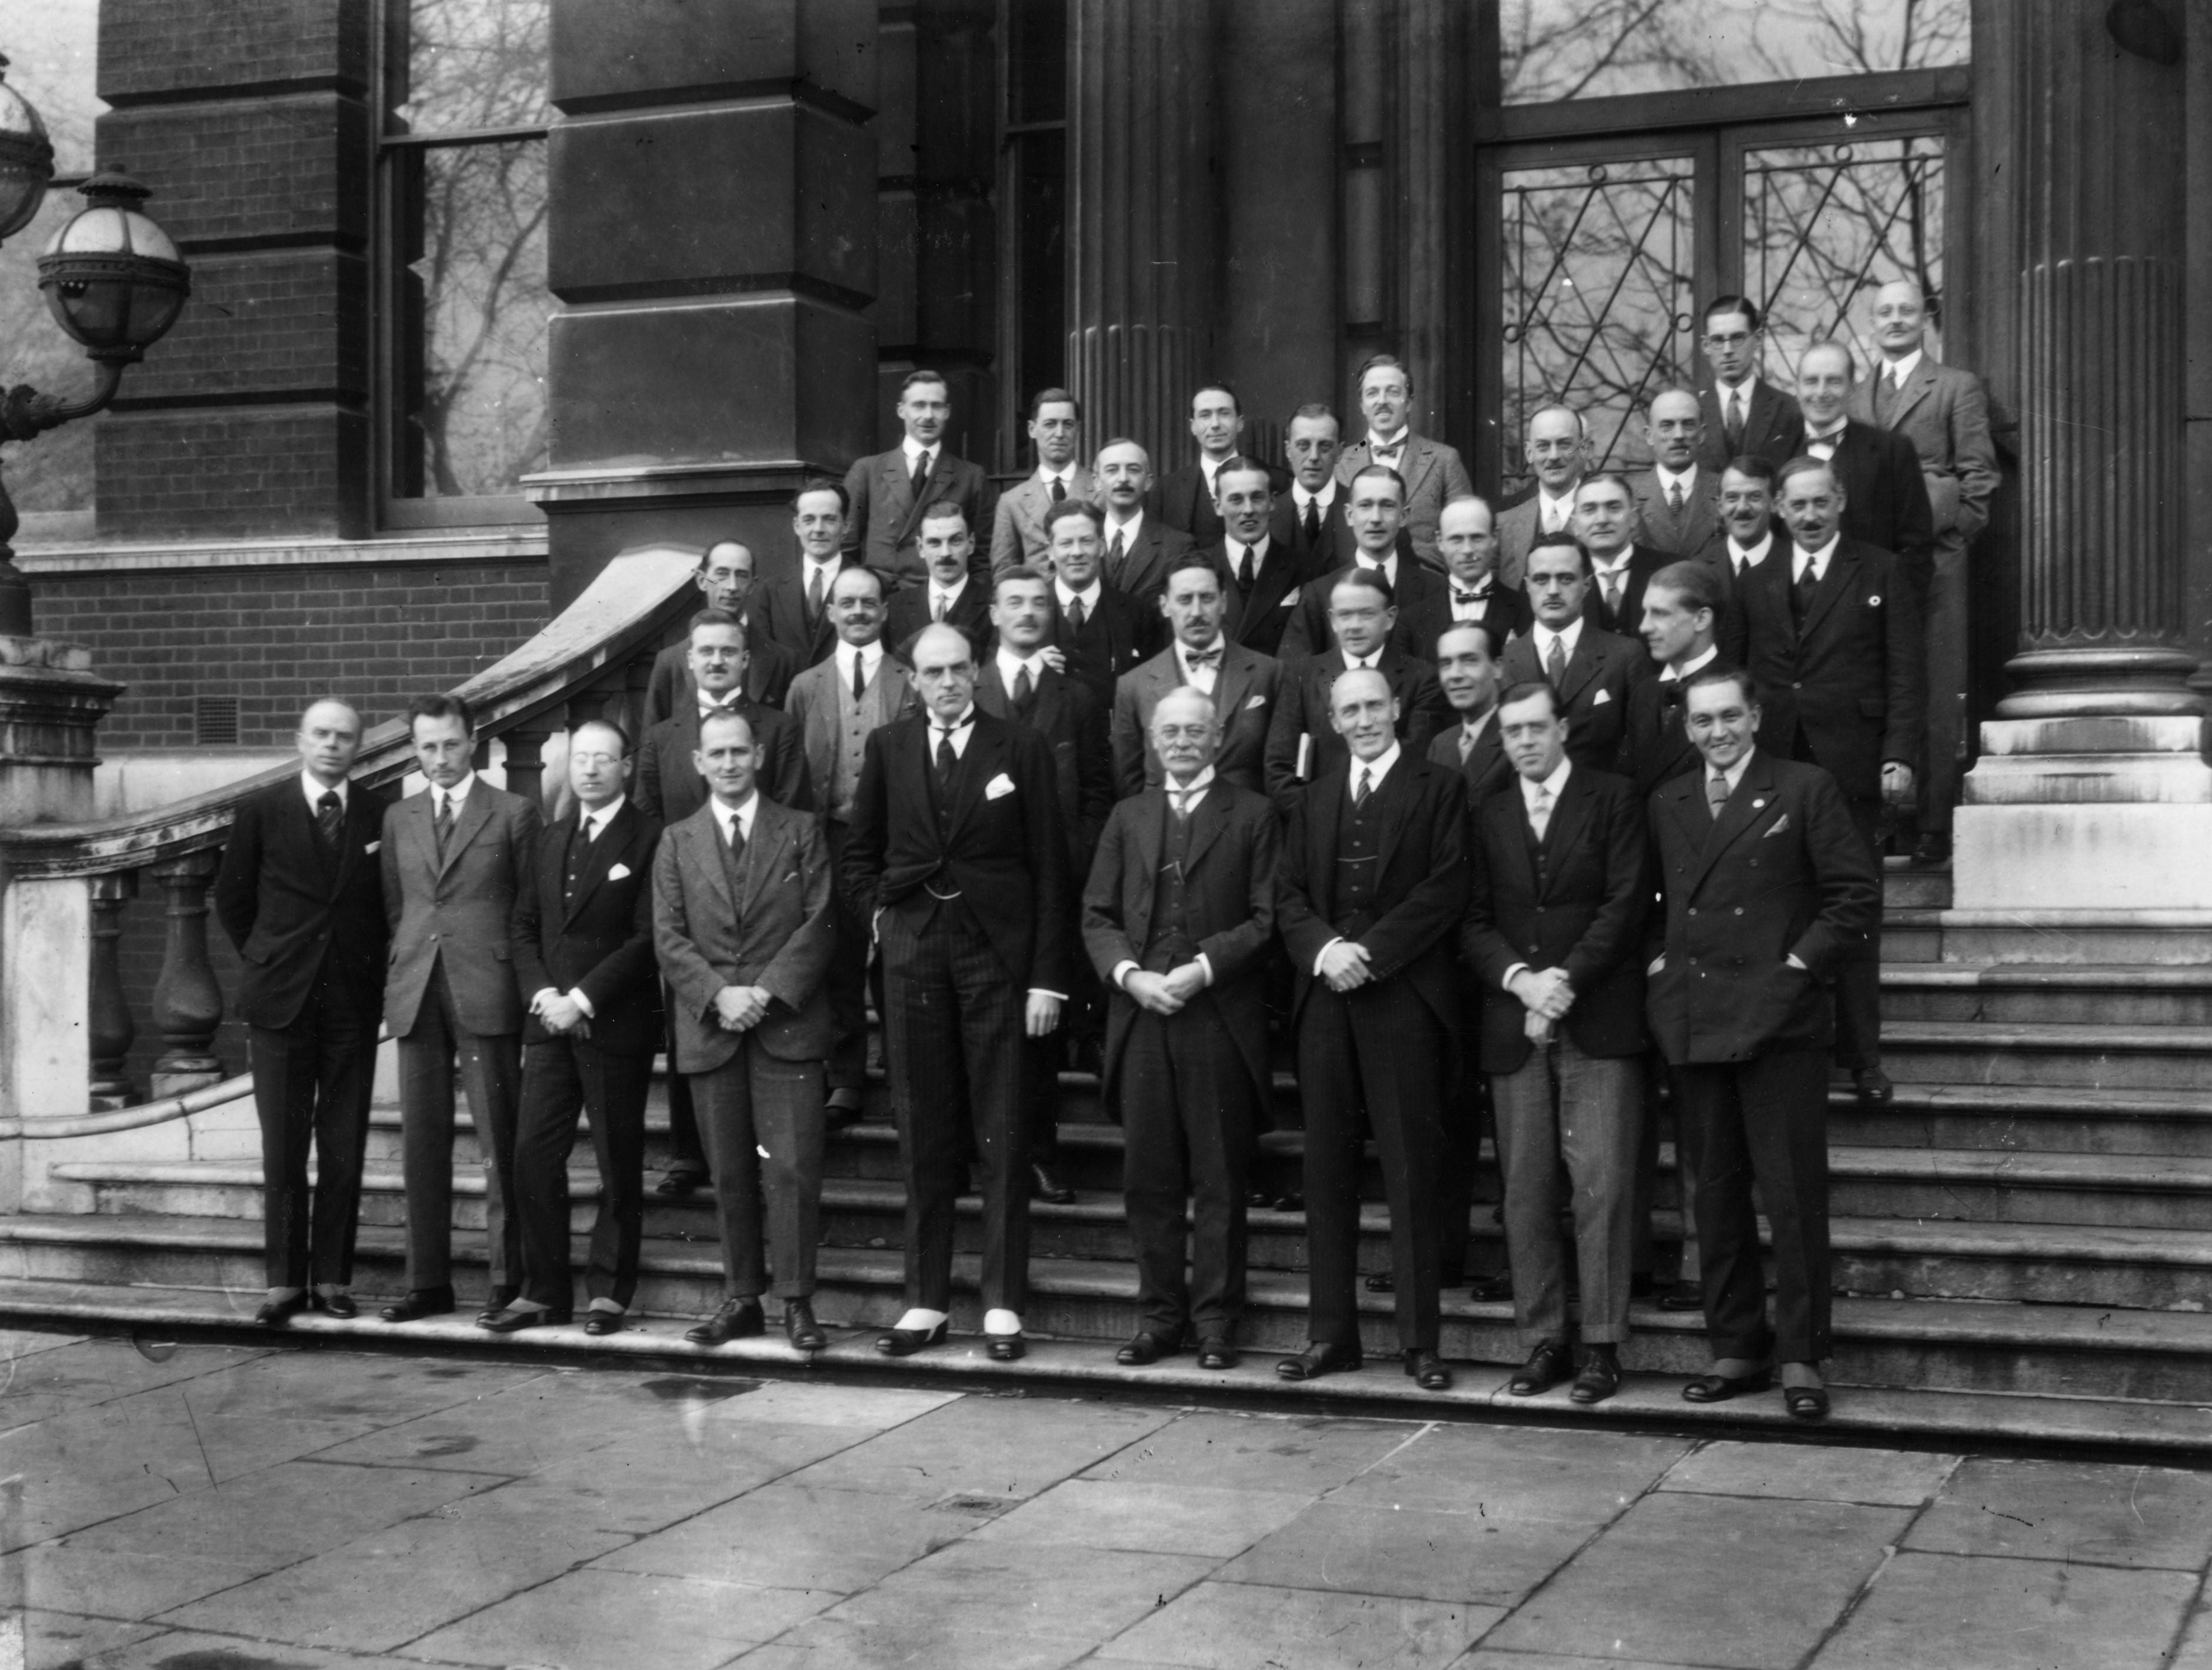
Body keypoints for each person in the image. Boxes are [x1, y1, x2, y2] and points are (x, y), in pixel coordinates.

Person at [1647, 667, 1880, 1420]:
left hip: (1780, 1021)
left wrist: (1795, 967)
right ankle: (1736, 1347)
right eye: (1702, 721)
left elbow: (1854, 897)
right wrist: (1659, 970)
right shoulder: (1668, 800)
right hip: (1698, 1019)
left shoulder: (1803, 787)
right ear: (1687, 729)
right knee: (1714, 1197)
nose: (1716, 733)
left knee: (1791, 1196)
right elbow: (1649, 901)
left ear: (1755, 717)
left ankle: (1803, 1355)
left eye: (1729, 717)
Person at [843, 623, 1071, 1360]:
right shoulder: (888, 748)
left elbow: (1050, 869)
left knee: (1001, 1128)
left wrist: (1045, 978)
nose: (945, 682)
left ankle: (1003, 1304)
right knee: (925, 1131)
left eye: (957, 669)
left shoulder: (1021, 747)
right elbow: (859, 853)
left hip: (994, 954)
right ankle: (925, 1302)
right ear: (911, 679)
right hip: (913, 952)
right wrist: (880, 916)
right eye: (931, 671)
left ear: (977, 672)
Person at [1275, 668, 1469, 1391]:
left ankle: (1421, 1343)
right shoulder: (1313, 797)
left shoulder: (1439, 787)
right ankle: (1333, 1337)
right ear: (1332, 718)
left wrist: (1373, 954)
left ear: (1397, 709)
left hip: (1403, 997)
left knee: (1410, 1170)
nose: (1363, 720)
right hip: (1325, 997)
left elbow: (1447, 887)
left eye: (1373, 706)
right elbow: (1286, 893)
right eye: (1348, 710)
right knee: (1326, 1170)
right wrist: (1328, 951)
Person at [1083, 687, 1278, 1371]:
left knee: (1220, 1175)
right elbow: (1097, 915)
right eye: (1170, 731)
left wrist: (1200, 970)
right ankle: (1159, 1318)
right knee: (1149, 1177)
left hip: (1215, 1016)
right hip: (1141, 1016)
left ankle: (1218, 1323)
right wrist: (1132, 978)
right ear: (1151, 737)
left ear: (1219, 735)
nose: (1182, 742)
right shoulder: (1127, 815)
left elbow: (1264, 919)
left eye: (1196, 731)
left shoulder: (1253, 813)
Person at [1464, 680, 1648, 1406]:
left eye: (1537, 728)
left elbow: (1625, 903)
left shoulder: (1613, 798)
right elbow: (1472, 919)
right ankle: (1544, 1340)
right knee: (1527, 1190)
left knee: (1600, 1183)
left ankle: (1601, 1345)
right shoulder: (1489, 811)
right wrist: (1521, 982)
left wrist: (1561, 983)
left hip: (1597, 1019)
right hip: (1516, 1024)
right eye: (1512, 733)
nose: (1525, 743)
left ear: (1562, 729)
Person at [1738, 457, 1925, 1107]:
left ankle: (1863, 1058)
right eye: (1798, 506)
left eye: (1821, 503)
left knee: (1854, 914)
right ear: (1779, 511)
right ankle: (1792, 1048)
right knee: (1778, 910)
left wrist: (1899, 753)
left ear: (1840, 501)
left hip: (1851, 767)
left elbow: (1905, 672)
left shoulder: (1878, 569)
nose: (1811, 516)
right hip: (1777, 765)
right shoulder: (1756, 578)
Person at [654, 708, 838, 1351]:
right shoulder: (677, 840)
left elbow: (820, 921)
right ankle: (742, 1298)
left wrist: (765, 991)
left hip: (784, 1026)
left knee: (790, 1169)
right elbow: (669, 936)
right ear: (698, 763)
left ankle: (796, 1302)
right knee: (729, 1171)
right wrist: (716, 995)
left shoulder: (801, 831)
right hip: (712, 1028)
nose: (729, 763)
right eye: (717, 754)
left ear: (758, 756)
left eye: (739, 751)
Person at [212, 700, 388, 1326]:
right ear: (300, 740)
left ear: (358, 746)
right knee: (283, 1147)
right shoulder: (262, 810)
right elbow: (232, 899)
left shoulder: (379, 810)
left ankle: (333, 1279)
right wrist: (267, 958)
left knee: (343, 1143)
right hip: (281, 998)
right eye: (321, 734)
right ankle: (284, 1281)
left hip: (351, 1000)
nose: (332, 745)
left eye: (344, 737)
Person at [495, 720, 662, 1337]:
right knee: (532, 1154)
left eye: (604, 759)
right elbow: (523, 926)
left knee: (618, 1158)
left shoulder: (649, 838)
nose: (590, 769)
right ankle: (543, 1290)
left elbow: (649, 938)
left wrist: (583, 999)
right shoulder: (550, 836)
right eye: (582, 758)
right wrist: (543, 995)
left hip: (611, 1021)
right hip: (548, 1022)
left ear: (625, 767)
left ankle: (609, 1293)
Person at [379, 694, 541, 1325]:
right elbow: (399, 906)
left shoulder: (513, 812)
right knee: (422, 1143)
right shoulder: (400, 817)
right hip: (418, 989)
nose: (439, 758)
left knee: (499, 1139)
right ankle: (427, 1282)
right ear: (414, 751)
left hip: (487, 988)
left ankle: (507, 1278)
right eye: (427, 748)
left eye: (450, 744)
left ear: (472, 742)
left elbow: (527, 910)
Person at [1848, 280, 2000, 866]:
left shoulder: (1953, 387)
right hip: (1872, 566)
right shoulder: (1857, 396)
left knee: (1937, 691)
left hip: (1935, 563)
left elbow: (1978, 475)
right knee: (1880, 688)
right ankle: (1887, 820)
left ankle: (1934, 823)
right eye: (1884, 311)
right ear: (1871, 322)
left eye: (1905, 310)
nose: (1895, 320)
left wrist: (1954, 527)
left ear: (1924, 318)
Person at [981, 565, 1115, 1205]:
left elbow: (1096, 789)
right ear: (994, 614)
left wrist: (1076, 857)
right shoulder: (968, 689)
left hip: (1054, 887)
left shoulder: (1079, 698)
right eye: (1015, 603)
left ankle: (1038, 1153)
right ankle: (983, 1155)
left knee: (1040, 1032)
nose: (1028, 613)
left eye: (1039, 603)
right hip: (982, 890)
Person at [784, 564, 918, 1122]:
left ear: (885, 612)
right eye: (848, 603)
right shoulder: (805, 686)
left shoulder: (909, 678)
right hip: (830, 836)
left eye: (869, 603)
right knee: (837, 956)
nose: (859, 612)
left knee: (898, 952)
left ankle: (905, 1066)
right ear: (832, 612)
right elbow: (794, 775)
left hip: (898, 840)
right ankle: (846, 1074)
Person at [1425, 623, 1514, 1299]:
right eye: (1446, 664)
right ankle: (1443, 1253)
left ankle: (1521, 1256)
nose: (1457, 674)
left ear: (1497, 669)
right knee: (1448, 1116)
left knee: (1518, 1122)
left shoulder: (1515, 736)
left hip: (1504, 943)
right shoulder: (1433, 745)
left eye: (1469, 662)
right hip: (1445, 957)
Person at [1265, 567, 1447, 814]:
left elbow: (1416, 762)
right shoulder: (1302, 676)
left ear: (1390, 618)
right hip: (1318, 826)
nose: (1354, 626)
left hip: (1393, 823)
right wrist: (1321, 820)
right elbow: (1278, 768)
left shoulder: (1422, 678)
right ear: (1332, 620)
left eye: (1367, 614)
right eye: (1345, 615)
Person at [1113, 555, 1282, 797]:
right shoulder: (1133, 685)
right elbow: (1129, 782)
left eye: (1207, 598)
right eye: (1184, 600)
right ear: (1164, 606)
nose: (1197, 612)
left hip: (1244, 828)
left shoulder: (1269, 673)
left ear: (1223, 602)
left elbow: (1278, 770)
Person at [637, 610, 812, 827]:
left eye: (728, 652)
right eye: (706, 652)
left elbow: (793, 817)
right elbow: (646, 821)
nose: (717, 661)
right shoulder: (659, 738)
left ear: (745, 659)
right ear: (691, 659)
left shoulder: (782, 730)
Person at [1794, 341, 1936, 600]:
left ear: (1852, 387)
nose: (1822, 392)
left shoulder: (1892, 451)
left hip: (1867, 617)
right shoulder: (1776, 453)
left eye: (1834, 381)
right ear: (1797, 387)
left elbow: (1916, 551)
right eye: (1811, 381)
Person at [1499, 533, 1650, 771]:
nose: (1553, 591)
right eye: (1541, 579)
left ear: (1587, 585)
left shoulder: (1625, 655)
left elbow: (1640, 745)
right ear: (1527, 586)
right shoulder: (1506, 659)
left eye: (1566, 579)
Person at [841, 368, 994, 591]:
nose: (929, 415)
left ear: (947, 412)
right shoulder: (867, 471)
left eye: (937, 406)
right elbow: (846, 548)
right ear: (901, 410)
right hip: (884, 600)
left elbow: (982, 558)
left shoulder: (970, 476)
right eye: (919, 405)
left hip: (942, 602)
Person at [1279, 463, 1444, 661]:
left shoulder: (1435, 591)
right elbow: (1295, 673)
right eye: (1365, 506)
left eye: (1387, 506)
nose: (1376, 518)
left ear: (1404, 516)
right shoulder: (1319, 594)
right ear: (1350, 515)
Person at [1333, 352, 1474, 573]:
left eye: (1393, 392)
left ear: (1408, 402)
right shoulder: (1341, 464)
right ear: (1362, 405)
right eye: (1373, 393)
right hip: (1358, 586)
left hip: (1427, 587)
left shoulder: (1444, 460)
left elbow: (1468, 533)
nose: (1382, 401)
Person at [643, 541, 797, 724]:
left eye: (741, 576)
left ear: (752, 586)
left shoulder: (783, 661)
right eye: (721, 575)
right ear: (702, 581)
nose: (732, 586)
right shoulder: (670, 661)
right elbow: (652, 742)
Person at [1044, 499, 1159, 708]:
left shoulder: (1137, 613)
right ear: (1050, 551)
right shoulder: (1028, 611)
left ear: (1102, 546)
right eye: (1066, 543)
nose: (1077, 552)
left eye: (1086, 541)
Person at [1399, 495, 1530, 662]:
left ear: (1495, 538)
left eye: (1477, 538)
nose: (1467, 549)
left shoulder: (1525, 610)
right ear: (1440, 542)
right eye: (1456, 539)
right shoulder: (1411, 621)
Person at [1209, 457, 1311, 660]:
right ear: (1218, 506)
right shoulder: (1199, 571)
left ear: (1272, 502)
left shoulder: (1305, 568)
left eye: (1257, 497)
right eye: (1236, 499)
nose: (1248, 510)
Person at [1158, 384, 1280, 545]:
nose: (1215, 424)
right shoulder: (1165, 491)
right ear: (1193, 426)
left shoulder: (1277, 480)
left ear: (1240, 423)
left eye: (1224, 414)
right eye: (1205, 415)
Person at [1695, 295, 1804, 474]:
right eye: (1718, 340)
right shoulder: (1692, 413)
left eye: (1738, 338)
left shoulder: (1789, 409)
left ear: (1758, 340)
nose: (1728, 350)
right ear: (1706, 346)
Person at [752, 485, 855, 671]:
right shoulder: (771, 591)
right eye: (809, 520)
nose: (818, 529)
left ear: (846, 526)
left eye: (829, 520)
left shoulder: (869, 585)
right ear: (797, 526)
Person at [991, 387, 1090, 573]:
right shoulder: (1012, 501)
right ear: (1032, 429)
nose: (1060, 434)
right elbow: (1004, 572)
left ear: (1078, 429)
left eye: (1068, 424)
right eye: (1050, 424)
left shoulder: (1099, 490)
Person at [885, 500, 993, 660]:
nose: (945, 553)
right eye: (934, 543)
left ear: (971, 544)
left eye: (955, 541)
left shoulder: (992, 605)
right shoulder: (895, 607)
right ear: (920, 548)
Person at [1570, 471, 1671, 640]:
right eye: (1589, 510)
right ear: (1575, 525)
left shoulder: (1670, 570)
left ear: (1633, 518)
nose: (1602, 519)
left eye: (1614, 508)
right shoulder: (1563, 578)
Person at [1094, 437, 1195, 605]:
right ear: (1097, 481)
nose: (1123, 479)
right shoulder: (1082, 541)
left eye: (1133, 470)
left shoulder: (1178, 547)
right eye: (1112, 470)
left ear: (1148, 482)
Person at [1495, 404, 1585, 588]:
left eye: (1564, 444)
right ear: (1529, 453)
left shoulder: (1602, 514)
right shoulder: (1504, 523)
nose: (1553, 456)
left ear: (1583, 449)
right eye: (1543, 446)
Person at [1630, 389, 1725, 564]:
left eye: (1688, 424)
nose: (1679, 435)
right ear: (1649, 435)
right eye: (1667, 426)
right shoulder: (1630, 499)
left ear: (1702, 434)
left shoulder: (1725, 491)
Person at [1274, 403, 1354, 572]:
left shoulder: (1361, 510)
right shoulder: (1268, 515)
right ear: (1288, 450)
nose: (1314, 457)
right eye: (1303, 445)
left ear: (1340, 452)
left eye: (1324, 446)